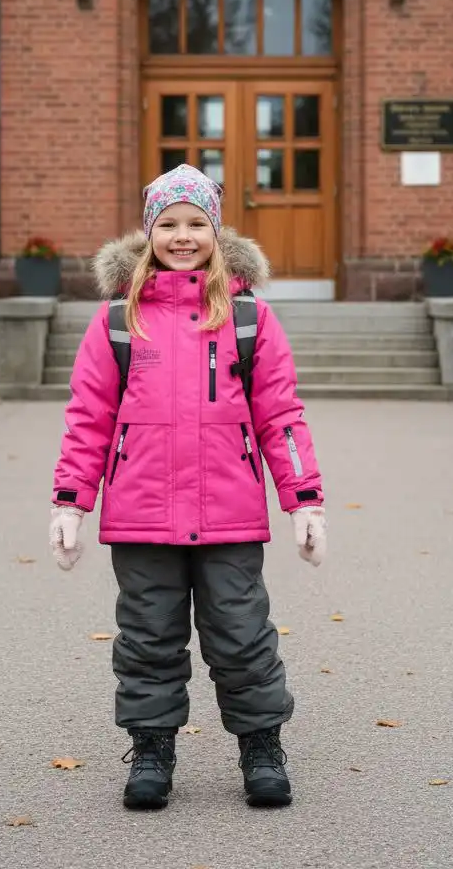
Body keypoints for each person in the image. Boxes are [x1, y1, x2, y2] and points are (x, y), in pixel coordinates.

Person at [49, 164, 326, 811]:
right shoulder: (118, 321)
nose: (182, 236)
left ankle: (261, 747)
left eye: (196, 223)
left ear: (215, 231)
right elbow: (88, 418)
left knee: (242, 636)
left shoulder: (249, 318)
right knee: (148, 639)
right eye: (168, 224)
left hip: (229, 515)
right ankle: (151, 749)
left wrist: (305, 501)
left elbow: (281, 415)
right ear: (148, 233)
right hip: (141, 516)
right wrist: (69, 502)